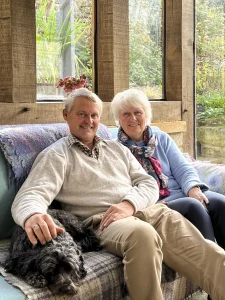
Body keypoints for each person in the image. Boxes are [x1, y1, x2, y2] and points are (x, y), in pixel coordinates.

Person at [11, 87, 225, 300]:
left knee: (210, 254)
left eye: (94, 115)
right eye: (82, 114)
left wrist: (129, 204)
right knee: (142, 234)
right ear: (66, 115)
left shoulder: (117, 150)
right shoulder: (57, 155)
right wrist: (32, 215)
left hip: (148, 212)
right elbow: (32, 193)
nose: (89, 120)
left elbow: (148, 183)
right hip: (105, 221)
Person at [111, 88, 225, 250]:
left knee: (219, 202)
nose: (133, 118)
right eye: (126, 114)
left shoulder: (162, 138)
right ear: (118, 119)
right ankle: (213, 267)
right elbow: (122, 187)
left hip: (183, 192)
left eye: (138, 112)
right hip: (156, 203)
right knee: (195, 207)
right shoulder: (115, 149)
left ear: (146, 115)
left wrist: (193, 189)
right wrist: (149, 203)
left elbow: (183, 168)